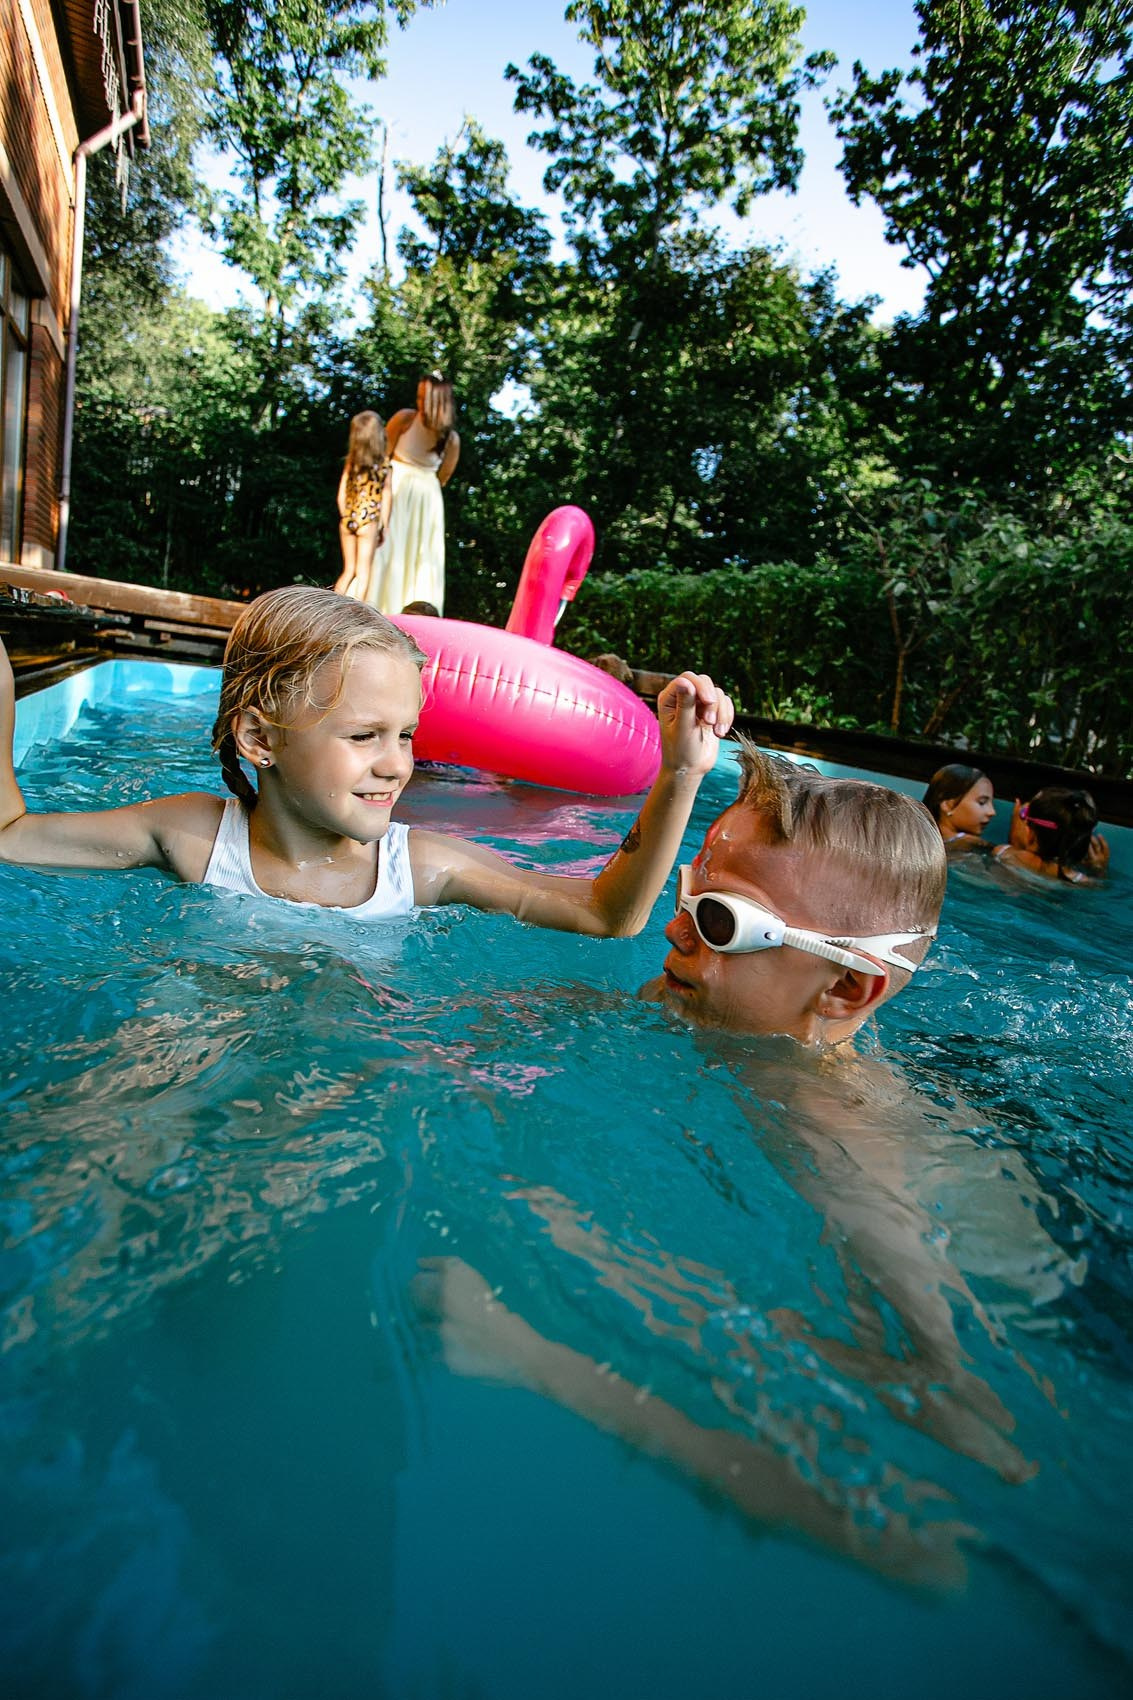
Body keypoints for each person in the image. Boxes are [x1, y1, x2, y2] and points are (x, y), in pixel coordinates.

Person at [0, 586, 731, 934]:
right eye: (363, 736)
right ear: (260, 740)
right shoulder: (192, 837)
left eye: (407, 735)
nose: (396, 766)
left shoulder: (421, 869)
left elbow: (608, 915)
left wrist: (680, 774)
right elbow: (11, 839)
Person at [641, 741, 946, 1045]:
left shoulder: (825, 1094)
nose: (674, 930)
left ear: (843, 988)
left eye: (718, 919)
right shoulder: (665, 995)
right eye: (688, 893)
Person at [364, 374, 460, 615]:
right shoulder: (404, 419)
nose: (418, 401)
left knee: (421, 554)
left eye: (423, 397)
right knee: (388, 547)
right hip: (394, 488)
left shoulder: (450, 439)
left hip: (426, 500)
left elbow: (444, 475)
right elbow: (381, 456)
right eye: (418, 396)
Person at [333, 411, 392, 601]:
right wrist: (384, 525)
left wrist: (345, 514)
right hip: (369, 520)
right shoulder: (384, 465)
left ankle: (331, 606)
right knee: (364, 572)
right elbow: (387, 495)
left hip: (349, 517)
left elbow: (341, 494)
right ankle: (357, 611)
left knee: (348, 570)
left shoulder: (352, 463)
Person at [995, 786, 1109, 883]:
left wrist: (1014, 842)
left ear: (1031, 833)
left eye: (1024, 816)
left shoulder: (1002, 853)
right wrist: (1098, 871)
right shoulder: (1081, 881)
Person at [922, 763, 996, 854]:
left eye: (992, 803)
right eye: (982, 802)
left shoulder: (917, 840)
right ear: (947, 805)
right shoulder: (972, 845)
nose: (992, 812)